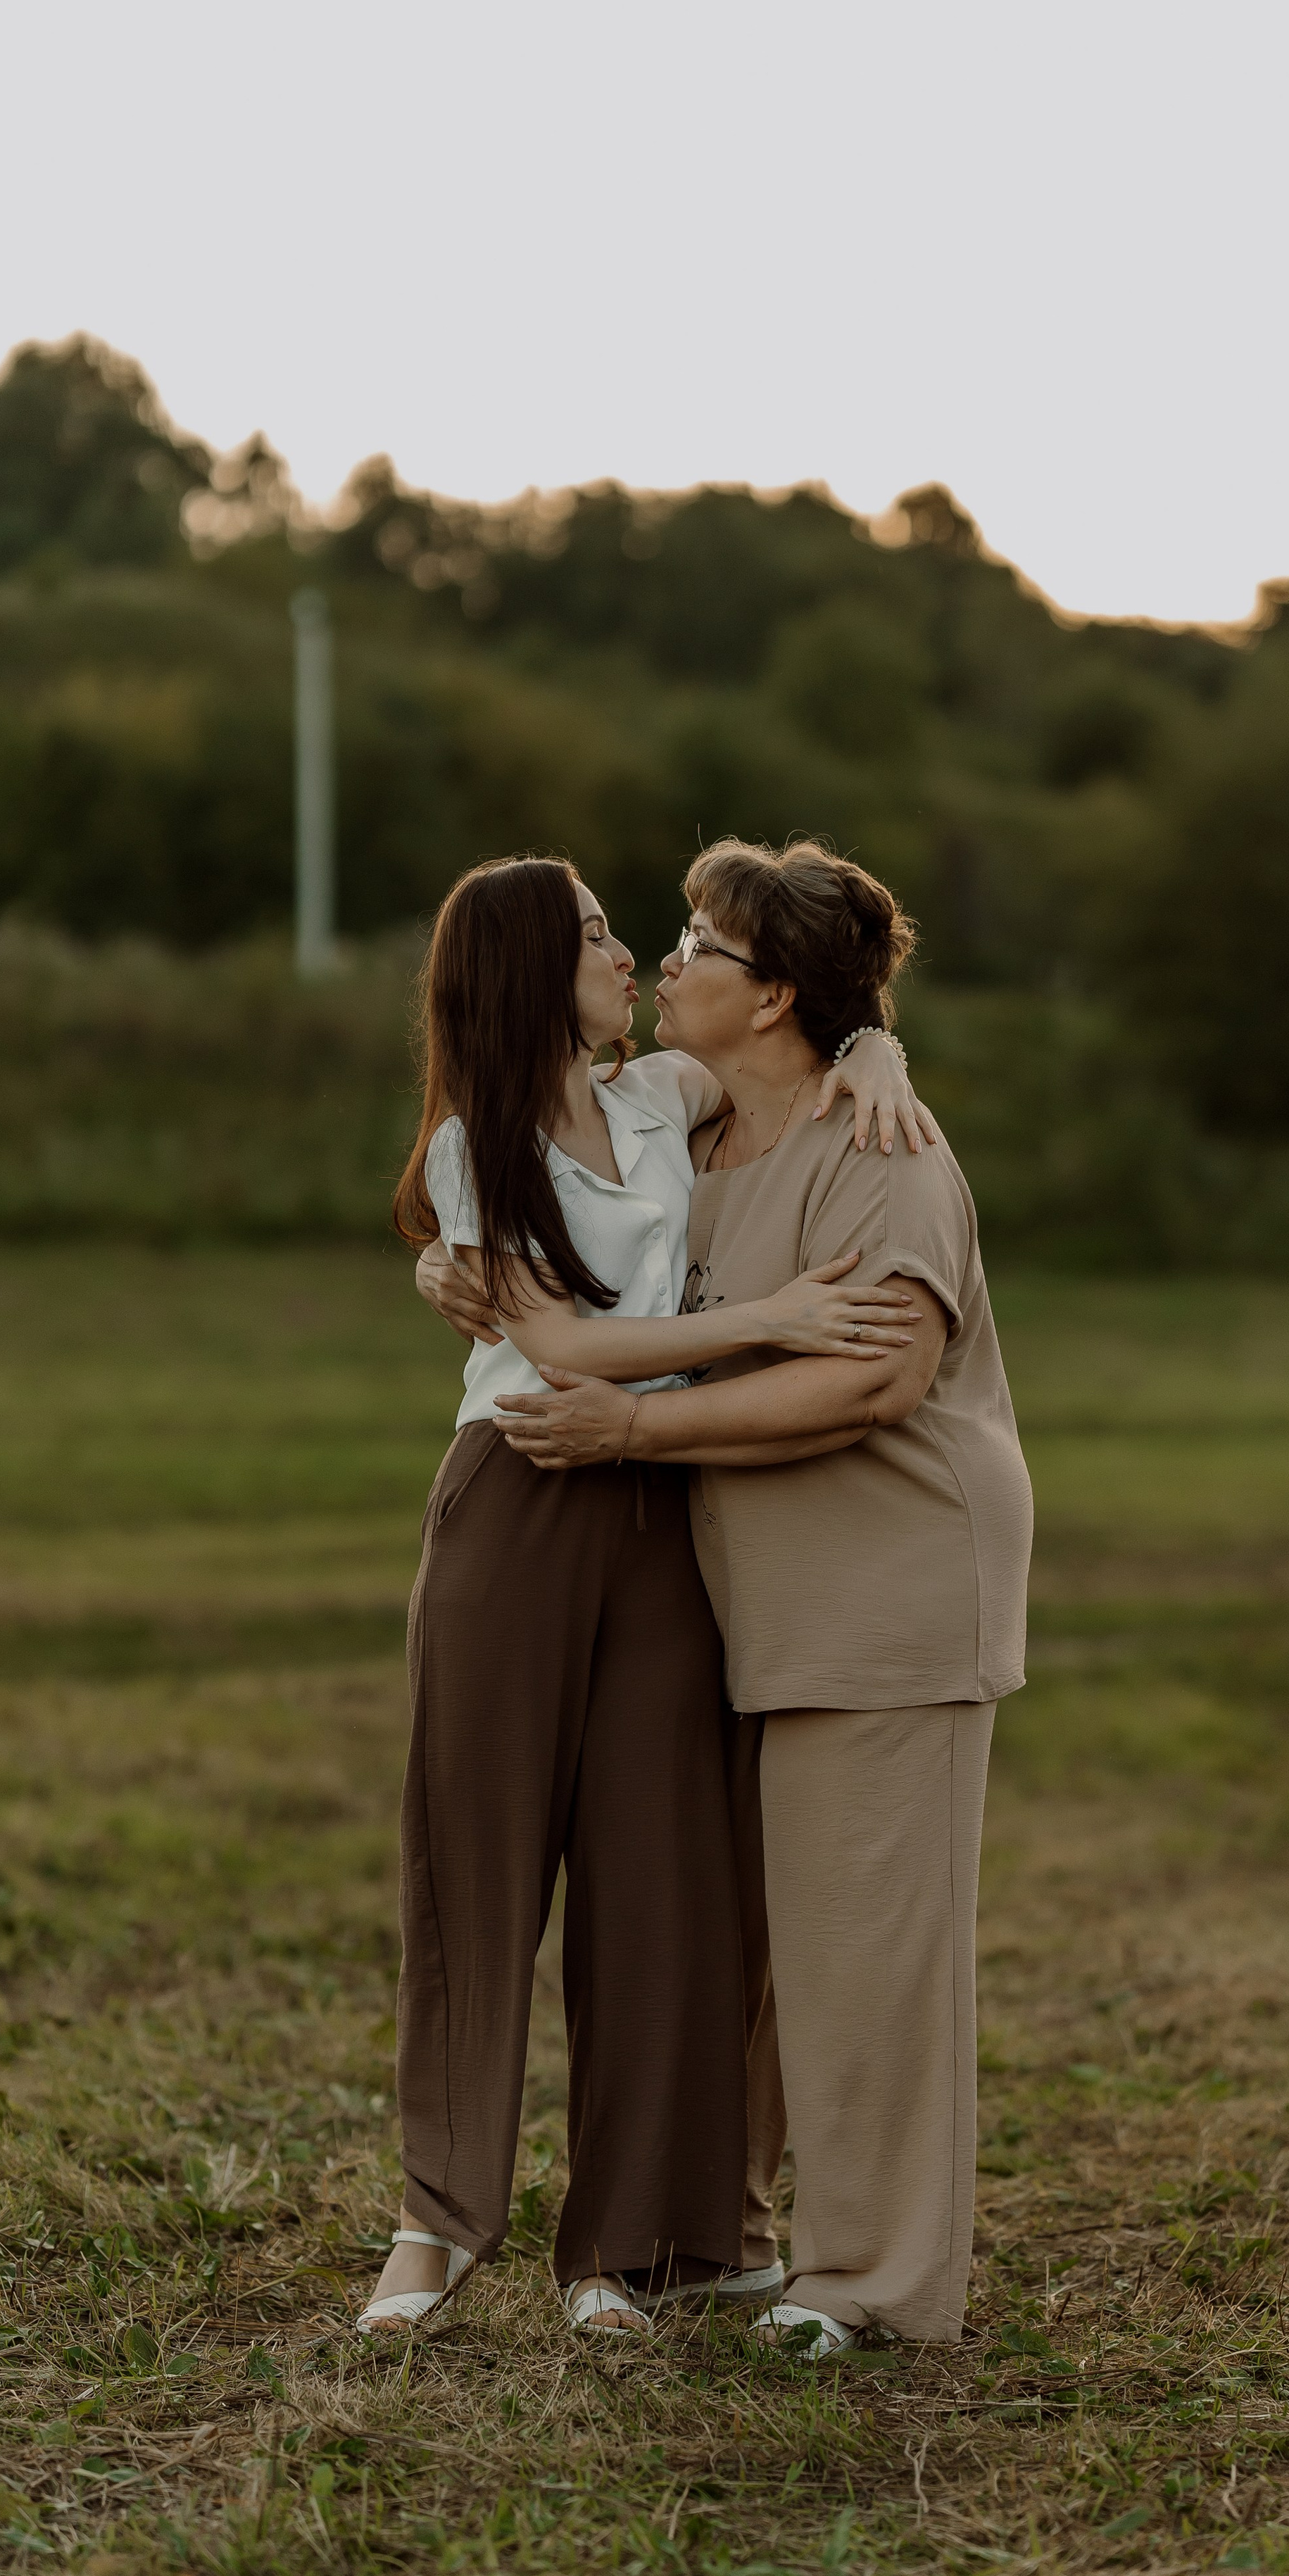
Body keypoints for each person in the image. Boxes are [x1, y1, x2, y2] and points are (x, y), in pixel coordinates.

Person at [357, 854, 924, 2339]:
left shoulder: (659, 1098)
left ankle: (622, 2249)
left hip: (661, 1512)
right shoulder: (475, 1147)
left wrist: (880, 1042)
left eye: (635, 936)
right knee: (474, 1866)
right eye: (604, 937)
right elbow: (554, 1342)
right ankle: (439, 2223)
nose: (632, 960)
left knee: (658, 1879)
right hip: (521, 1493)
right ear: (533, 967)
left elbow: (802, 1032)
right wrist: (774, 1317)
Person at [483, 838, 1034, 2355]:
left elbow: (874, 1375)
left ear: (774, 993)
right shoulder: (703, 1138)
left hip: (888, 1593)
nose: (667, 965)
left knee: (865, 1956)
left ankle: (869, 2285)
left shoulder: (885, 1150)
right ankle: (709, 2239)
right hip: (747, 1610)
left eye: (697, 948)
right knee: (754, 1950)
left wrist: (633, 1428)